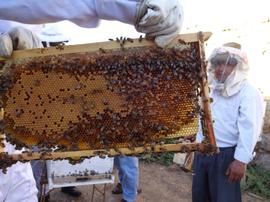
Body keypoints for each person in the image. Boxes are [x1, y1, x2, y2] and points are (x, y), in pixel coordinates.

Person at [0, 2, 183, 202]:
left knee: (126, 162)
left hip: (14, 163)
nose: (57, 49)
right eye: (53, 45)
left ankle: (128, 196)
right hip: (21, 137)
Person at [192, 44, 264, 202]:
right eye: (217, 63)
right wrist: (196, 139)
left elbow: (250, 128)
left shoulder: (249, 93)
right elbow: (204, 117)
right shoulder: (211, 88)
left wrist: (240, 161)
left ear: (238, 66)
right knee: (200, 197)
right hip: (203, 152)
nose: (219, 68)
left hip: (226, 156)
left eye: (226, 64)